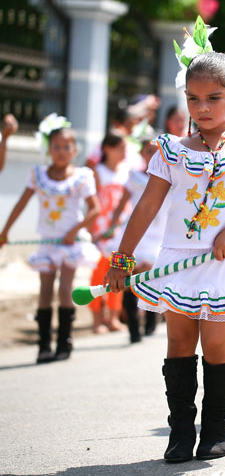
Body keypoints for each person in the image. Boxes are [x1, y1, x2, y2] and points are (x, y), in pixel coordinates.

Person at [105, 38, 225, 462]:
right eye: (193, 99)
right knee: (179, 342)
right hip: (178, 261)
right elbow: (147, 205)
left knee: (217, 346)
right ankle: (181, 432)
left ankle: (216, 428)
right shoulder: (172, 151)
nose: (202, 108)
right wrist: (122, 258)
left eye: (214, 98)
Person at [0, 120, 100, 363]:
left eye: (67, 147)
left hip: (70, 243)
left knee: (64, 289)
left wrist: (74, 230)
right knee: (45, 290)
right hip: (47, 242)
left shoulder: (82, 177)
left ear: (74, 151)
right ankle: (44, 344)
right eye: (56, 146)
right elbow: (21, 203)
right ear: (49, 149)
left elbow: (95, 210)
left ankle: (64, 342)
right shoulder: (38, 175)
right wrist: (5, 231)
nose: (62, 151)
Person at [107, 136, 168, 342]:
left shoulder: (170, 176)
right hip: (137, 231)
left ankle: (151, 321)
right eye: (147, 151)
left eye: (155, 151)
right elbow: (121, 204)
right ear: (142, 154)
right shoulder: (134, 177)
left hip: (158, 233)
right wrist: (112, 225)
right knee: (129, 278)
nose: (151, 155)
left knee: (150, 277)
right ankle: (134, 327)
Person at [89, 131, 131, 334]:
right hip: (102, 229)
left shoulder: (127, 171)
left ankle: (114, 316)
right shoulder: (97, 172)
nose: (124, 152)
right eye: (120, 147)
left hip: (122, 230)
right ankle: (97, 319)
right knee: (99, 274)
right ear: (107, 148)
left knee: (119, 272)